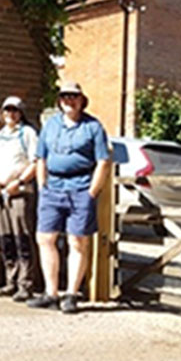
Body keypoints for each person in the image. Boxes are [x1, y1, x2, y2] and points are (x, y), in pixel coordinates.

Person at [27, 81, 111, 314]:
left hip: (81, 187)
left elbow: (103, 161)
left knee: (78, 241)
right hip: (52, 188)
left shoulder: (93, 127)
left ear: (82, 100)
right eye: (64, 97)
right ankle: (51, 293)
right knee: (45, 238)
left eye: (73, 97)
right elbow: (41, 158)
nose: (69, 100)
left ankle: (71, 294)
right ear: (59, 100)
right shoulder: (50, 125)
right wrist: (42, 186)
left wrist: (92, 192)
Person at [0, 96, 40, 302]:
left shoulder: (27, 133)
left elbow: (35, 162)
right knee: (5, 238)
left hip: (19, 193)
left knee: (23, 238)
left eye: (15, 111)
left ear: (21, 113)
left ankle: (26, 283)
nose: (11, 114)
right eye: (7, 110)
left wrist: (18, 182)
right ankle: (11, 279)